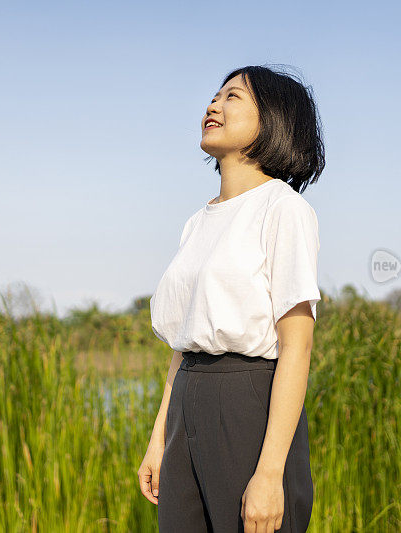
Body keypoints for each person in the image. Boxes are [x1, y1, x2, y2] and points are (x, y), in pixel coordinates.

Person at [137, 64, 325, 533]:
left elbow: (297, 345)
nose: (213, 104)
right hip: (188, 402)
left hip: (247, 402)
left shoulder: (284, 209)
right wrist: (160, 437)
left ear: (274, 120)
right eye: (215, 95)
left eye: (233, 96)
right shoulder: (197, 223)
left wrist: (269, 473)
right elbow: (184, 343)